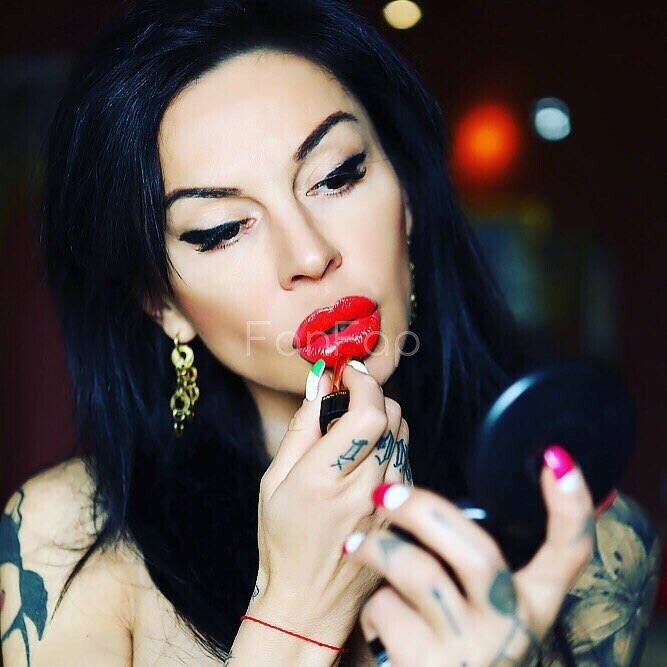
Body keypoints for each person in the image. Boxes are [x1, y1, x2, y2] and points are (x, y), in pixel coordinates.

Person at [0, 1, 660, 665]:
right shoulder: (62, 542)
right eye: (221, 229)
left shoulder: (594, 548)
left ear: (407, 199)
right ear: (162, 302)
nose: (310, 255)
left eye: (337, 176)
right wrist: (297, 613)